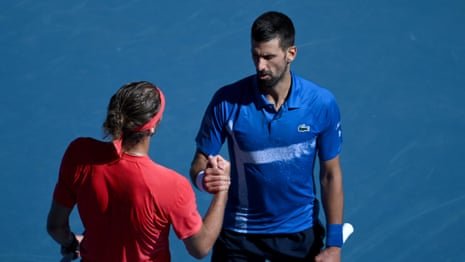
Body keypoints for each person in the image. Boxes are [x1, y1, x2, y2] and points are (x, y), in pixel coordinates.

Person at [190, 11, 345, 262]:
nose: (260, 65)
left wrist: (334, 245)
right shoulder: (226, 101)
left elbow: (331, 174)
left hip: (299, 235)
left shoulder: (321, 104)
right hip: (238, 236)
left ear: (290, 53)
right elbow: (198, 161)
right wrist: (204, 179)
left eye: (269, 57)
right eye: (255, 55)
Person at [47, 81, 231, 261]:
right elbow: (200, 247)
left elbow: (56, 227)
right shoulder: (172, 185)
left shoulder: (79, 154)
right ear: (152, 127)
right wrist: (223, 188)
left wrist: (71, 242)